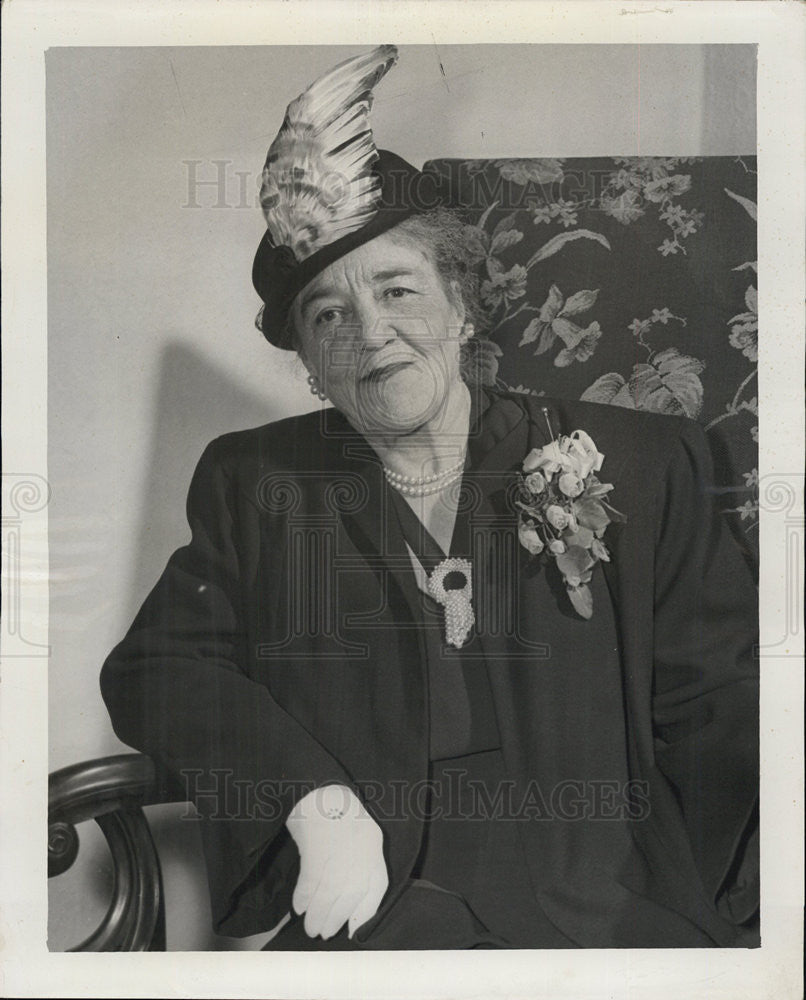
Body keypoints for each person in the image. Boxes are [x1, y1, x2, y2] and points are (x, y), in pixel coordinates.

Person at [100, 45, 759, 950]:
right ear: (311, 366)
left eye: (398, 289)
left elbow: (721, 703)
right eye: (327, 314)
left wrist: (735, 910)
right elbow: (153, 672)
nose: (372, 335)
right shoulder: (254, 480)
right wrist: (314, 804)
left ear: (461, 303)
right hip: (373, 902)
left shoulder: (645, 461)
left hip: (610, 899)